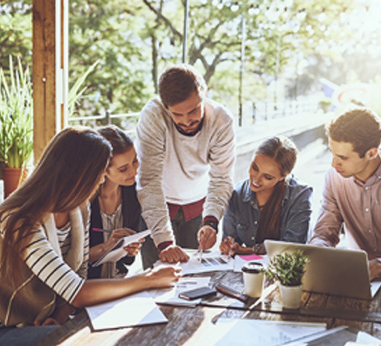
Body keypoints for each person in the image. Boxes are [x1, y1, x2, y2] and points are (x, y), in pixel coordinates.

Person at [0, 126, 180, 346]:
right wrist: (147, 279)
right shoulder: (19, 219)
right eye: (98, 176)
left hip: (45, 322)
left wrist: (57, 317)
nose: (100, 182)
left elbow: (77, 276)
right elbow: (78, 290)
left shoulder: (79, 210)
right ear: (78, 175)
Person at [136, 64, 235, 267]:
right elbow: (149, 181)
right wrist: (164, 242)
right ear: (165, 107)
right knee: (156, 281)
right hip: (156, 208)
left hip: (198, 209)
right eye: (177, 115)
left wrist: (211, 221)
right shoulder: (153, 116)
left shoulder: (221, 121)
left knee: (199, 280)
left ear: (204, 95)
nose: (187, 121)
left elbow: (221, 179)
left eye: (193, 111)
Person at [309, 107, 381, 281]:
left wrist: (380, 265)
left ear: (371, 153)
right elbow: (325, 232)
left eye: (343, 157)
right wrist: (317, 252)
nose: (334, 164)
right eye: (333, 154)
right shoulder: (335, 178)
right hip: (357, 280)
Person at [220, 136, 312, 256]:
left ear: (283, 176)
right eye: (255, 167)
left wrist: (251, 251)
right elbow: (230, 243)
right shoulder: (237, 194)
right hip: (248, 269)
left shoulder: (300, 196)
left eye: (267, 177)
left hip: (284, 270)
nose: (256, 179)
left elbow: (293, 247)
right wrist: (228, 246)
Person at [89, 126, 151, 279]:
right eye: (123, 169)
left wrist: (130, 250)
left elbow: (127, 261)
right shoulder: (84, 202)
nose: (134, 172)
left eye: (135, 161)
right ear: (102, 170)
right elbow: (69, 262)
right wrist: (105, 247)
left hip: (118, 280)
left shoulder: (132, 193)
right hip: (86, 286)